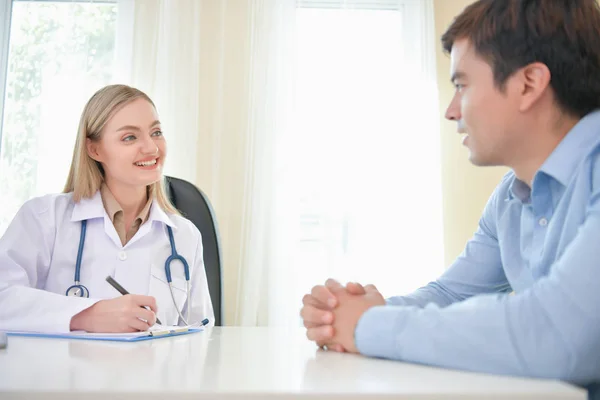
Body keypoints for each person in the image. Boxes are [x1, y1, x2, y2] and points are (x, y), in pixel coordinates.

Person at [300, 0, 600, 397]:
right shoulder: (510, 198)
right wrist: (349, 315)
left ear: (529, 84)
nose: (451, 110)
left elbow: (554, 334)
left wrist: (366, 326)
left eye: (461, 85)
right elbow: (452, 294)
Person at [0, 84, 214, 333]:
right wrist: (84, 315)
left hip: (150, 372)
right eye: (130, 137)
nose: (152, 148)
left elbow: (201, 335)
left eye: (156, 132)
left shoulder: (184, 235)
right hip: (60, 372)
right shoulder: (44, 218)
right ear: (94, 149)